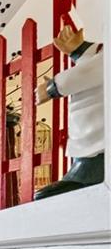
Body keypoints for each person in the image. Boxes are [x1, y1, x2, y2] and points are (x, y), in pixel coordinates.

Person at [35, 25, 104, 199]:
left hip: (97, 146)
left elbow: (94, 69)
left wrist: (52, 88)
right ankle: (87, 167)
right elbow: (93, 65)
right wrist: (79, 51)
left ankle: (90, 170)